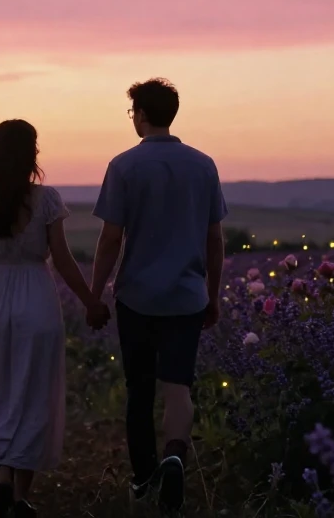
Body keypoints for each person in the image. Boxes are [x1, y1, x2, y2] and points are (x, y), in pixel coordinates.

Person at [0, 119, 111, 518]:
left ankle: (3, 478)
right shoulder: (45, 199)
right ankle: (21, 495)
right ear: (31, 154)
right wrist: (90, 301)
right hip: (36, 301)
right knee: (32, 396)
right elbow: (60, 258)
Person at [89, 78, 227, 513]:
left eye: (133, 112)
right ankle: (174, 457)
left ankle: (144, 477)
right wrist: (213, 294)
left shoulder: (124, 166)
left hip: (137, 297)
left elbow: (111, 238)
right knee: (178, 386)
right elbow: (215, 239)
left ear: (142, 115)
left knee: (139, 390)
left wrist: (95, 293)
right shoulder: (203, 165)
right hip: (187, 297)